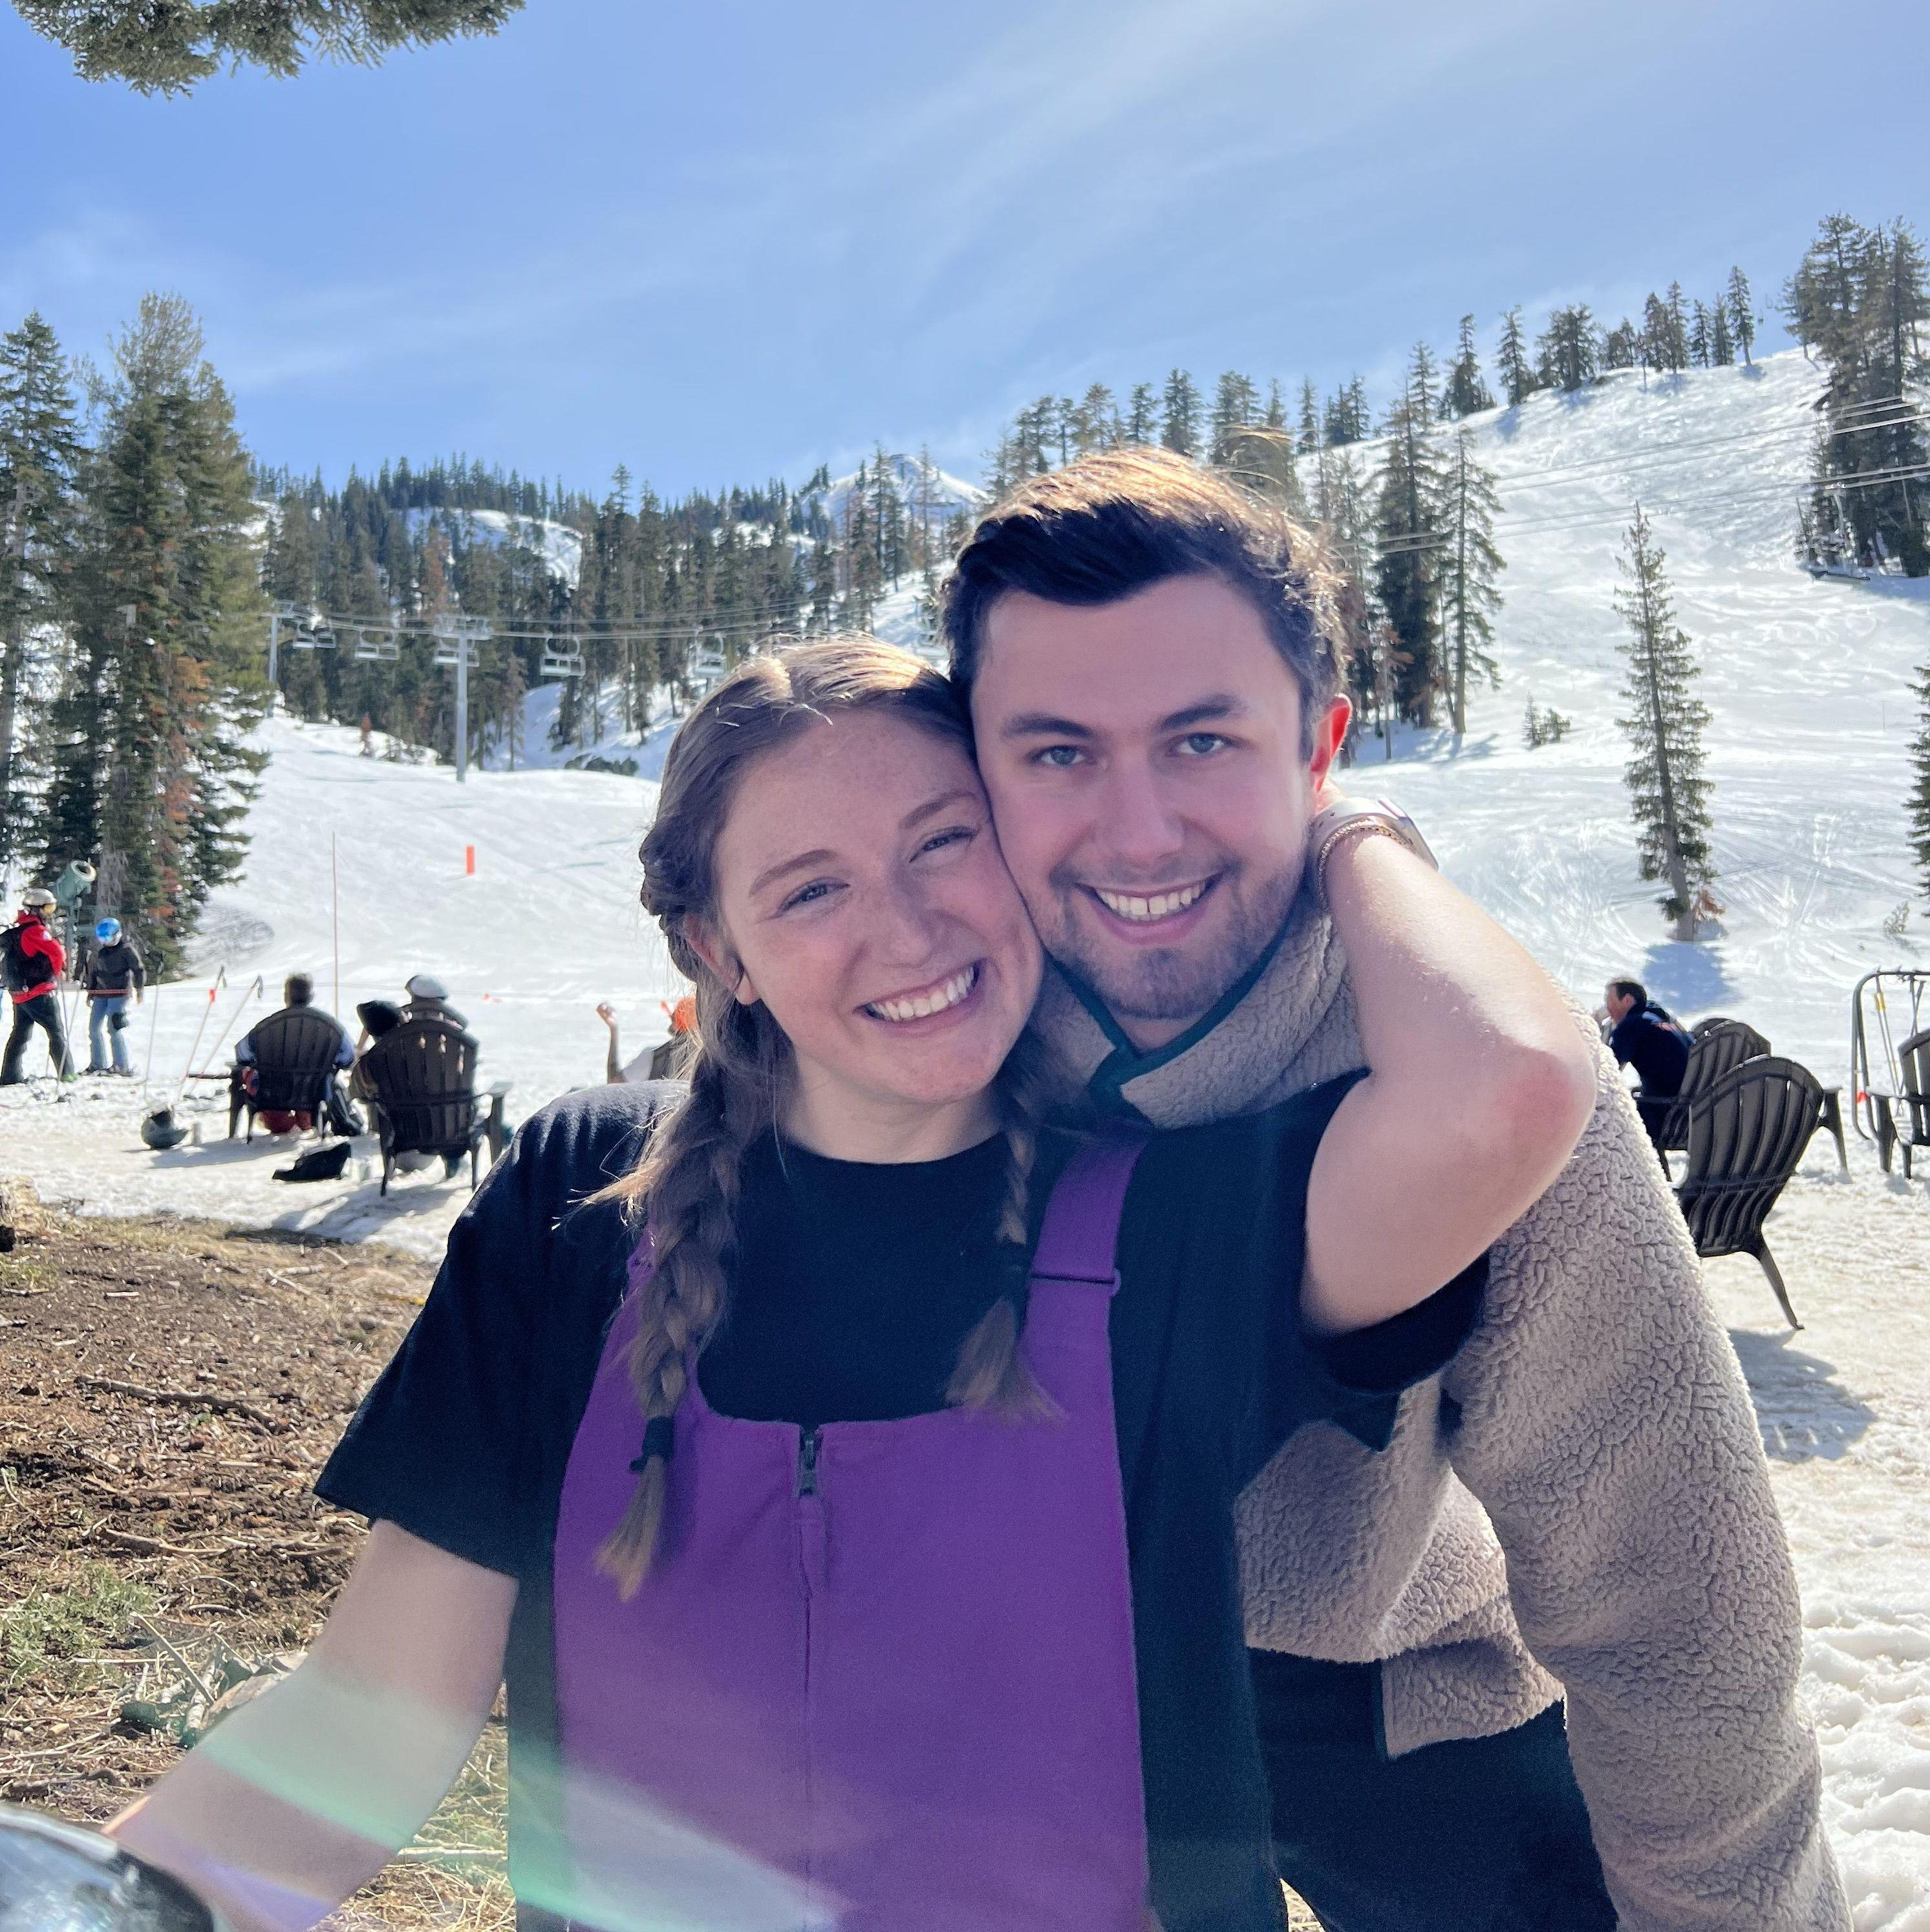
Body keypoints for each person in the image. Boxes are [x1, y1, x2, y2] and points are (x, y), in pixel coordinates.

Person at [110, 641, 1594, 1932]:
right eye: (810, 886)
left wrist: (1333, 819)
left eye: (947, 842)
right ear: (719, 949)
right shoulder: (575, 1212)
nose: (906, 927)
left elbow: (1506, 1087)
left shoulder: (1174, 1216)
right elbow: (376, 1709)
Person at [944, 449, 1845, 1932]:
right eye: (1053, 751)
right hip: (1016, 1672)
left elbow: (1676, 1605)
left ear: (1319, 747)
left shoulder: (1450, 1043)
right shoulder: (919, 1033)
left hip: (1382, 1668)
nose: (1138, 830)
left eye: (1203, 741)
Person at [233, 973, 354, 1135]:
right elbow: (347, 1059)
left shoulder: (268, 1025)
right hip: (314, 1093)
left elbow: (242, 1055)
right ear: (311, 996)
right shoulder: (331, 1027)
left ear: (286, 996)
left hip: (271, 1094)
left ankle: (235, 1132)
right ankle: (311, 1120)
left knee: (239, 1074)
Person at [1603, 976, 1693, 1154]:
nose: (1607, 1008)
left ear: (1627, 1000)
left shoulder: (1632, 1025)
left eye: (1609, 1001)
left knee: (1605, 1124)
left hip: (1662, 1116)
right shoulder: (1663, 1019)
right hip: (1690, 1116)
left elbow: (1606, 1072)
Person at [1, 885, 73, 1086]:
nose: (49, 913)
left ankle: (9, 1076)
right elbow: (57, 953)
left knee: (20, 1035)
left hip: (19, 994)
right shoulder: (36, 931)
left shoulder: (15, 932)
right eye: (48, 909)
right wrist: (57, 974)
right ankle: (67, 1073)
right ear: (37, 909)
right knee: (56, 1033)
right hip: (39, 992)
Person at [85, 918, 145, 1077]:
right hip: (100, 994)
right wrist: (90, 991)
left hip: (119, 994)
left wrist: (139, 989)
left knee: (114, 1029)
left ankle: (122, 1065)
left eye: (108, 938)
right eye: (102, 938)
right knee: (94, 1029)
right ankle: (97, 1063)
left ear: (117, 935)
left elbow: (138, 970)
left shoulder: (126, 949)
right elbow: (93, 972)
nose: (105, 941)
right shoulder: (100, 952)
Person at [597, 994, 696, 1084]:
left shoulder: (655, 1056)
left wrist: (614, 1029)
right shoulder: (707, 1059)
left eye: (673, 1019)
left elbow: (614, 1085)